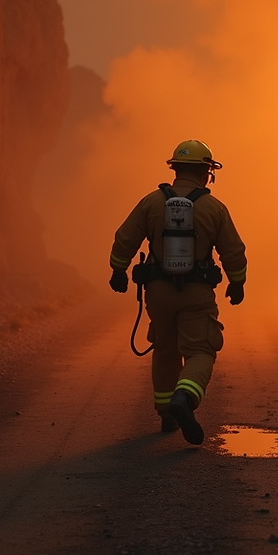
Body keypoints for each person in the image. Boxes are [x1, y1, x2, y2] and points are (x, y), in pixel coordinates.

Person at [108, 140, 247, 445]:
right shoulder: (214, 208)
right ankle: (184, 397)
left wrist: (118, 269)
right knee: (199, 351)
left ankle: (166, 413)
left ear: (175, 169)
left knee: (165, 349)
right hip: (196, 292)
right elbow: (233, 251)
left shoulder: (151, 202)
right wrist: (237, 282)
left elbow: (125, 238)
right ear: (206, 172)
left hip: (157, 291)